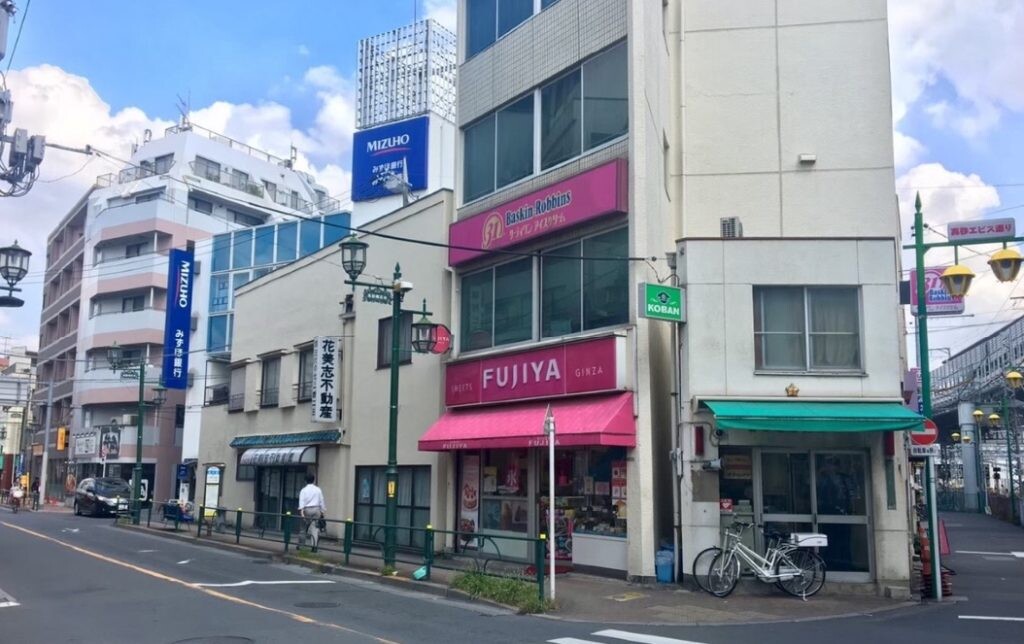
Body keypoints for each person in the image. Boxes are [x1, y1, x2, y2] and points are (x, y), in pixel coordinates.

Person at [298, 473, 325, 550]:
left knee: (303, 528)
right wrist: (322, 512)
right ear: (314, 480)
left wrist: (302, 513)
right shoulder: (318, 489)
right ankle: (314, 547)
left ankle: (301, 545)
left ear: (305, 481)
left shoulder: (303, 490)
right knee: (315, 529)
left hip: (306, 510)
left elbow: (301, 503)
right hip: (316, 510)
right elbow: (321, 501)